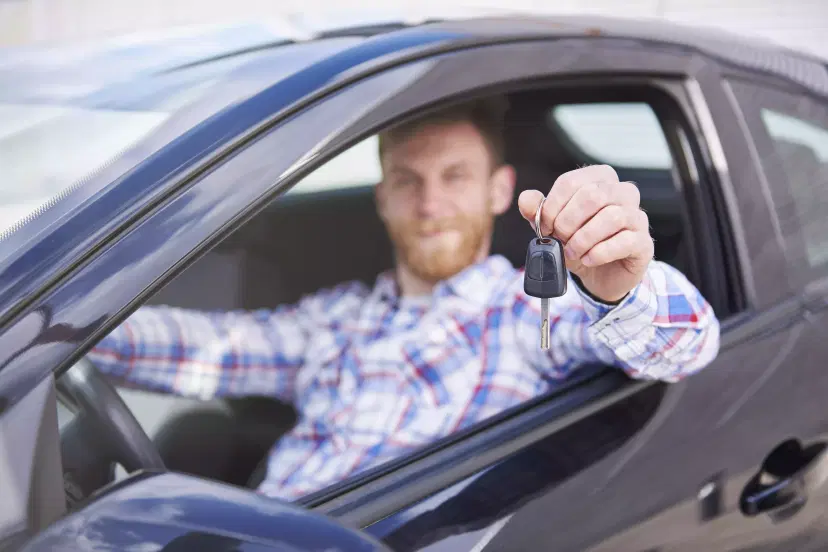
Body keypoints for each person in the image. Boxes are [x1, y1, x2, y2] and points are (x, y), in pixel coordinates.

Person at [89, 98, 720, 500]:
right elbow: (200, 349)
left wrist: (621, 283)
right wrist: (60, 325)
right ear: (382, 197)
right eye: (407, 181)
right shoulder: (334, 316)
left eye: (454, 177)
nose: (429, 203)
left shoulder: (523, 311)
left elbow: (687, 344)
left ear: (500, 191)